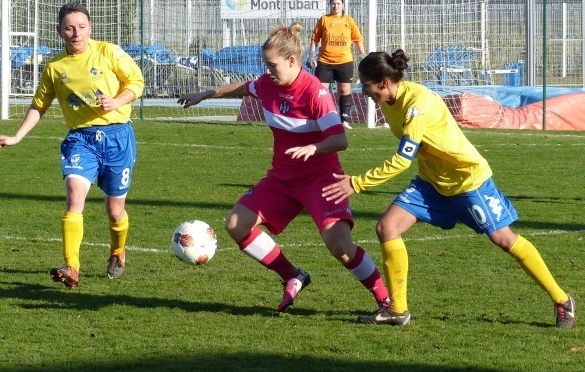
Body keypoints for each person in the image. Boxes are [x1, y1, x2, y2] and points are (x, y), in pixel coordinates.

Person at [321, 49, 576, 328]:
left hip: (467, 180)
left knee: (503, 238)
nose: (363, 90)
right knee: (387, 228)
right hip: (431, 181)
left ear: (383, 82)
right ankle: (398, 310)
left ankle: (562, 300)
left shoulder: (416, 106)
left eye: (366, 85)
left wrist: (357, 183)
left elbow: (402, 161)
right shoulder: (389, 99)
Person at [177, 23, 389, 315]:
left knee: (340, 246)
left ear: (291, 61)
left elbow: (340, 139)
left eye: (272, 65)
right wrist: (206, 93)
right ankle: (292, 275)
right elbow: (244, 87)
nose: (268, 71)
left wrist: (313, 148)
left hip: (321, 178)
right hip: (282, 178)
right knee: (236, 224)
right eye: (265, 65)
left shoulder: (315, 93)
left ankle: (386, 301)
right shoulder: (267, 84)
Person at [0, 2, 144, 288]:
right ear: (60, 31)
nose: (77, 33)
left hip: (117, 138)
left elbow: (136, 82)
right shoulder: (55, 67)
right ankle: (72, 267)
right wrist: (17, 136)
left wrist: (117, 100)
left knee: (114, 211)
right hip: (80, 140)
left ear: (91, 28)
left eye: (82, 27)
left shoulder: (109, 52)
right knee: (75, 198)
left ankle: (117, 251)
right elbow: (39, 105)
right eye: (70, 28)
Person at [307, 0, 365, 130]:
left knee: (344, 90)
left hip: (344, 61)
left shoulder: (349, 21)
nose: (335, 6)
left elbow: (358, 39)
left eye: (338, 3)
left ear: (343, 5)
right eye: (333, 3)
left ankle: (344, 120)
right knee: (321, 91)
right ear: (330, 5)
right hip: (325, 61)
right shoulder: (324, 19)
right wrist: (311, 54)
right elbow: (315, 38)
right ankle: (321, 118)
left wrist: (362, 55)